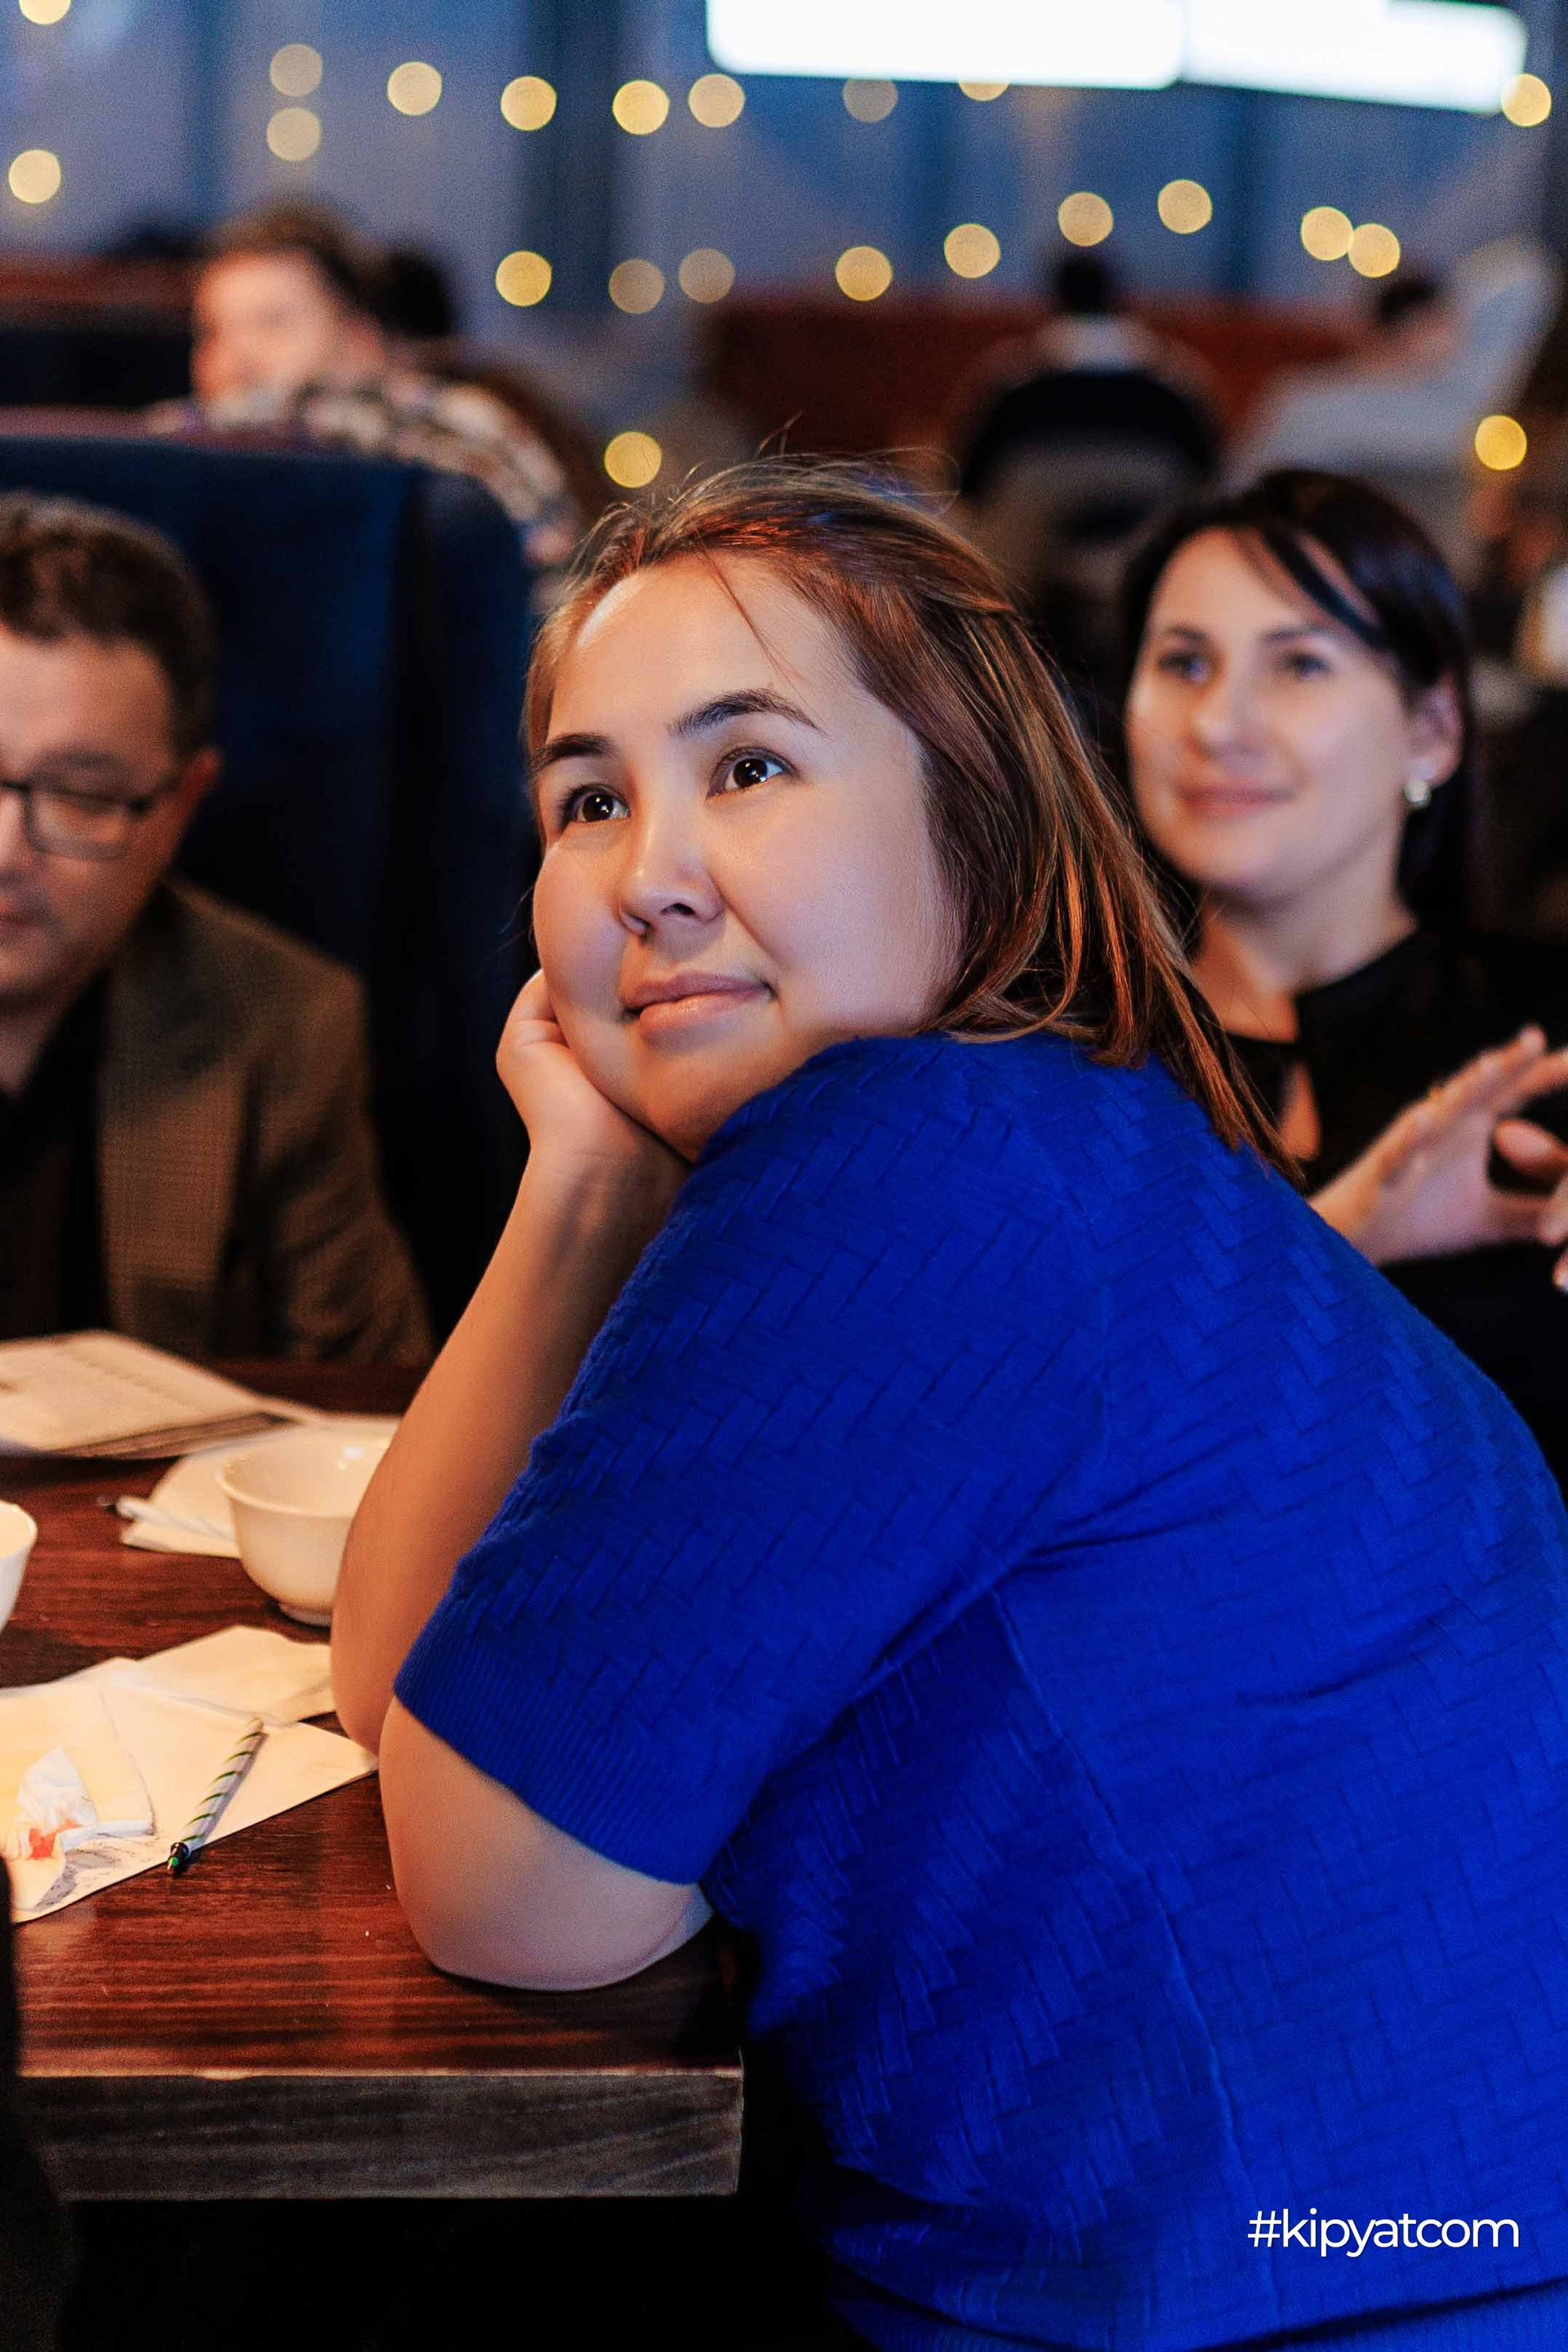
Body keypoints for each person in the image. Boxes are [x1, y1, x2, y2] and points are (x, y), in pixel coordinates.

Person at [332, 461, 1568, 2350]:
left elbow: (512, 1891)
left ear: (972, 822)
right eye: (589, 798)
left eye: (750, 764)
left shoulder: (920, 1158)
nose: (648, 872)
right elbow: (411, 1700)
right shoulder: (1030, 1126)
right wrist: (580, 1177)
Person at [1121, 466, 1568, 1484]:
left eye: (1300, 665)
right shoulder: (1052, 1052)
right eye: (1184, 661)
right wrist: (1346, 1239)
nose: (1217, 723)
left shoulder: (1546, 1039)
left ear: (1432, 731)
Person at [0, 491, 430, 1361]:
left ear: (180, 805)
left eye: (82, 794)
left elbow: (368, 1394)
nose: (6, 851)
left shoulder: (284, 1025)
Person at [150, 201, 582, 602]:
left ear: (362, 342)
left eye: (273, 323)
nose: (235, 359)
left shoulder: (454, 430)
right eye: (213, 332)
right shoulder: (193, 478)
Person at [954, 252, 1219, 738]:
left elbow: (969, 486)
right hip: (1141, 568)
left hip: (1023, 577)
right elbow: (1207, 480)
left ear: (1051, 302)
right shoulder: (1174, 380)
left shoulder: (1014, 380)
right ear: (1121, 299)